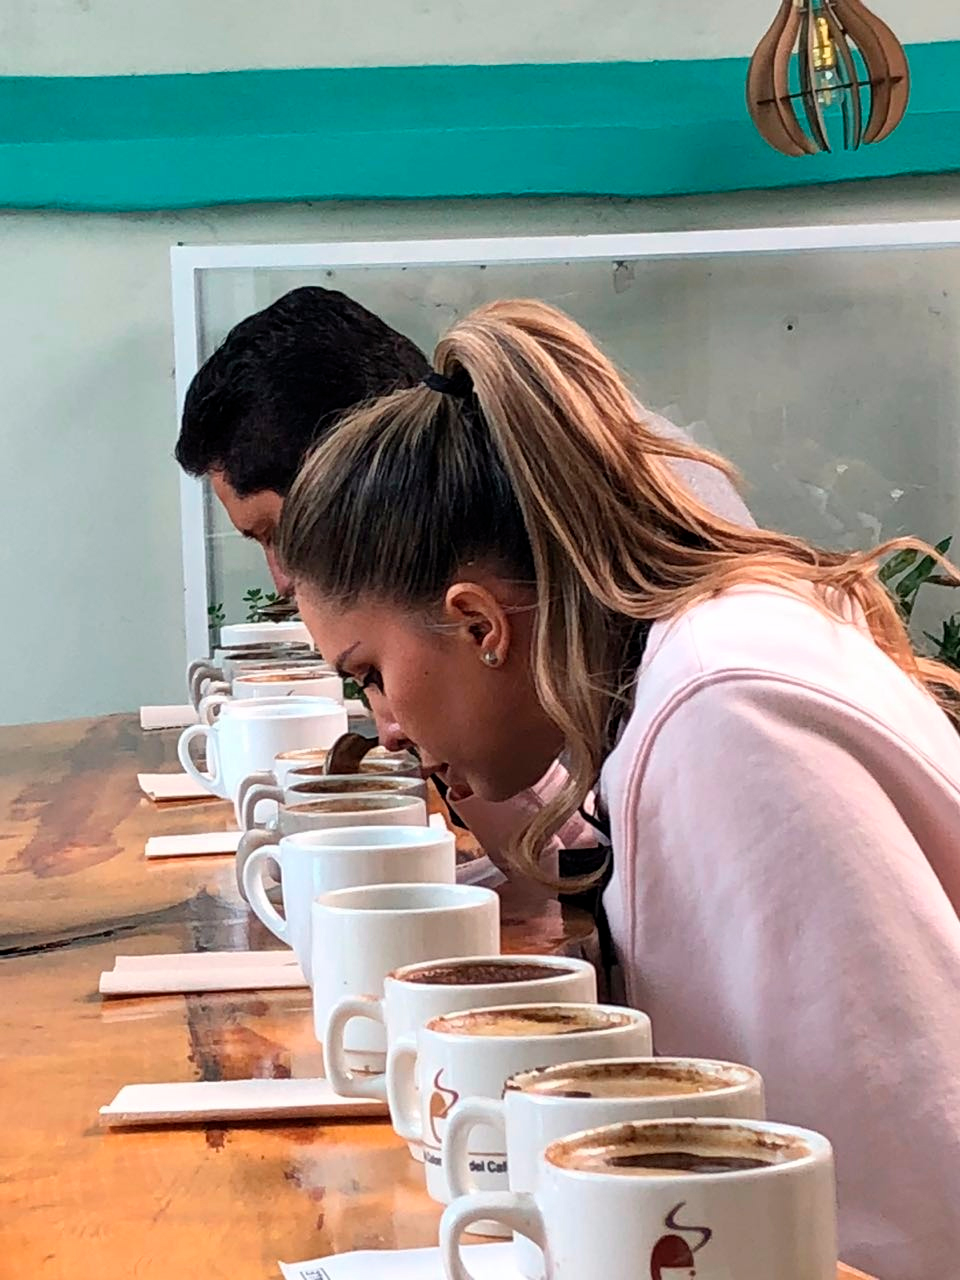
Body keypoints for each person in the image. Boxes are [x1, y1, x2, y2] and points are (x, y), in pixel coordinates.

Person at [277, 298, 960, 1278]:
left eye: (370, 673)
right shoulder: (690, 666)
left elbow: (909, 1199)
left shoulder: (718, 715)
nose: (382, 727)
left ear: (479, 624)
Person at [175, 285, 754, 875]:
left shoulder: (709, 682)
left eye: (283, 534)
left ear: (362, 476)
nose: (282, 578)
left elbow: (574, 864)